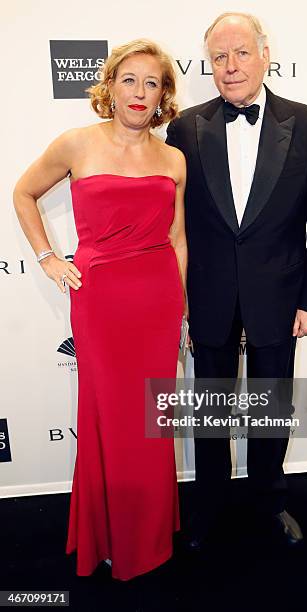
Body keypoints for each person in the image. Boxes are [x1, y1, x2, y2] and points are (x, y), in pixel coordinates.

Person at [13, 39, 187, 580]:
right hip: (102, 302)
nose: (139, 92)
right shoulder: (75, 144)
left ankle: (149, 531)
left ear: (163, 96)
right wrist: (46, 256)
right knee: (111, 417)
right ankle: (110, 533)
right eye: (129, 79)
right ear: (109, 85)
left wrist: (177, 307)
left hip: (157, 301)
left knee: (150, 419)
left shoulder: (173, 157)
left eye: (151, 82)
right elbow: (24, 192)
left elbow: (178, 237)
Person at [166, 12, 307, 549]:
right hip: (210, 295)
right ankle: (209, 506)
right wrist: (180, 299)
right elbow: (176, 223)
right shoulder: (185, 126)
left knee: (271, 407)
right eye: (219, 56)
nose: (231, 65)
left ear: (266, 53)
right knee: (210, 412)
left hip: (280, 295)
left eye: (241, 52)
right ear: (208, 65)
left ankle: (270, 501)